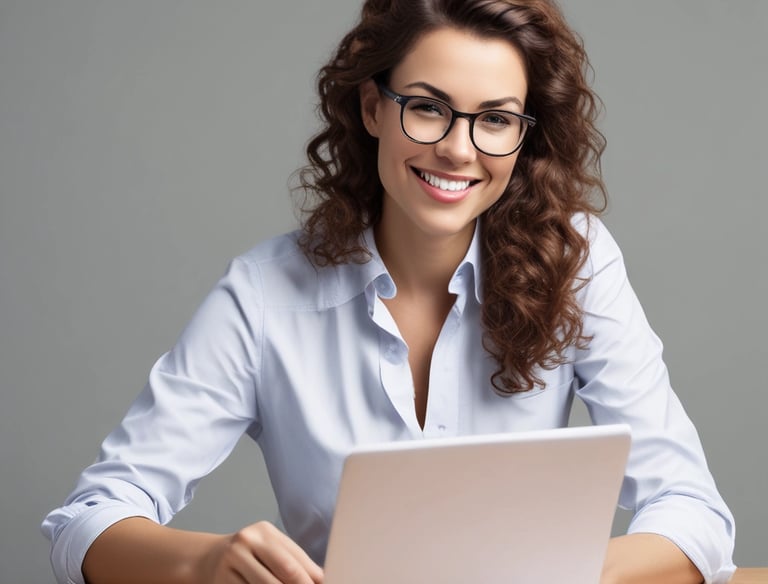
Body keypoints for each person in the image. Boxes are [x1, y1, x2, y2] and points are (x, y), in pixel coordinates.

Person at [42, 1, 736, 583]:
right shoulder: (264, 293)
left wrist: (556, 576)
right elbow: (88, 520)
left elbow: (694, 514)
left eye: (496, 119)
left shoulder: (575, 261)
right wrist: (203, 563)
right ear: (373, 108)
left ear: (524, 137)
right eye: (428, 108)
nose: (459, 150)